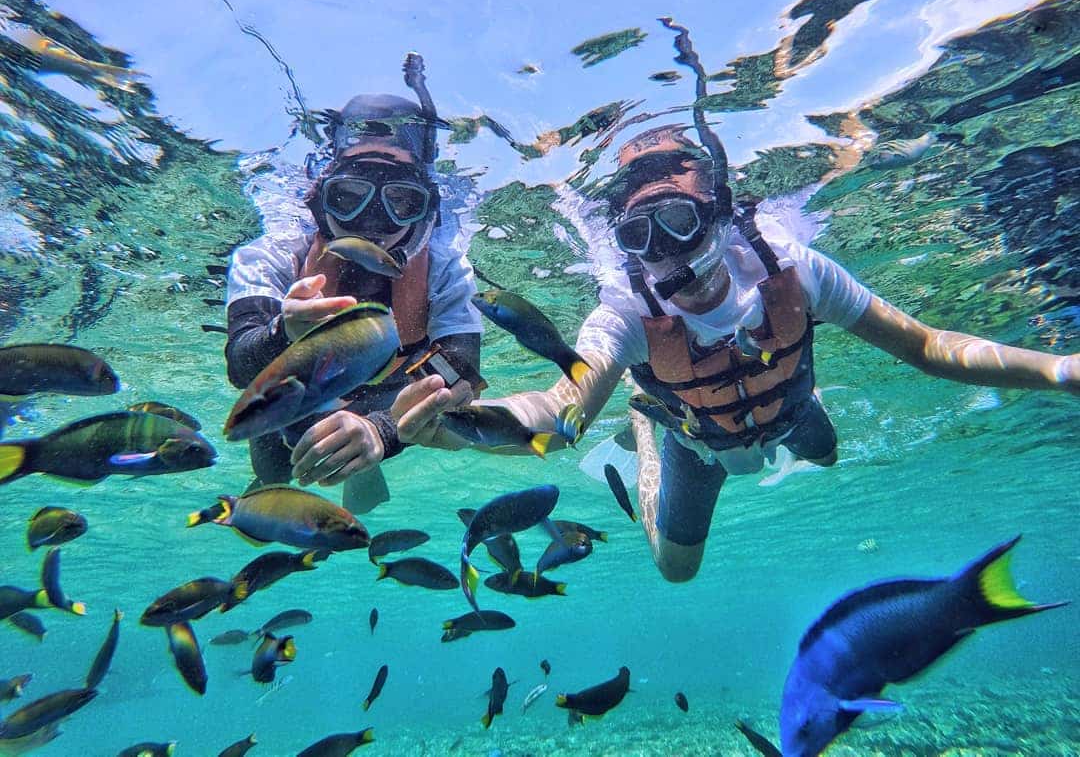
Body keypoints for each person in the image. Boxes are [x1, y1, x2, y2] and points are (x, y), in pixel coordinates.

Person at [391, 122, 1080, 582]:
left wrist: (1062, 371)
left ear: (719, 215)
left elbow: (929, 346)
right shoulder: (627, 311)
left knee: (828, 455)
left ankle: (695, 415)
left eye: (680, 223)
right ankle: (649, 427)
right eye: (640, 237)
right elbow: (561, 405)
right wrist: (460, 429)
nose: (662, 253)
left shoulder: (794, 270)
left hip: (790, 408)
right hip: (697, 440)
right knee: (675, 569)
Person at [225, 57, 482, 514]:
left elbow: (461, 368)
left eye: (401, 202)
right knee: (275, 472)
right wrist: (283, 335)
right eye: (349, 197)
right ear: (319, 200)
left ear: (425, 210)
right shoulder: (276, 252)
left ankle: (361, 449)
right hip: (300, 394)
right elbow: (243, 364)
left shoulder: (444, 264)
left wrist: (381, 430)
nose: (373, 223)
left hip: (391, 391)